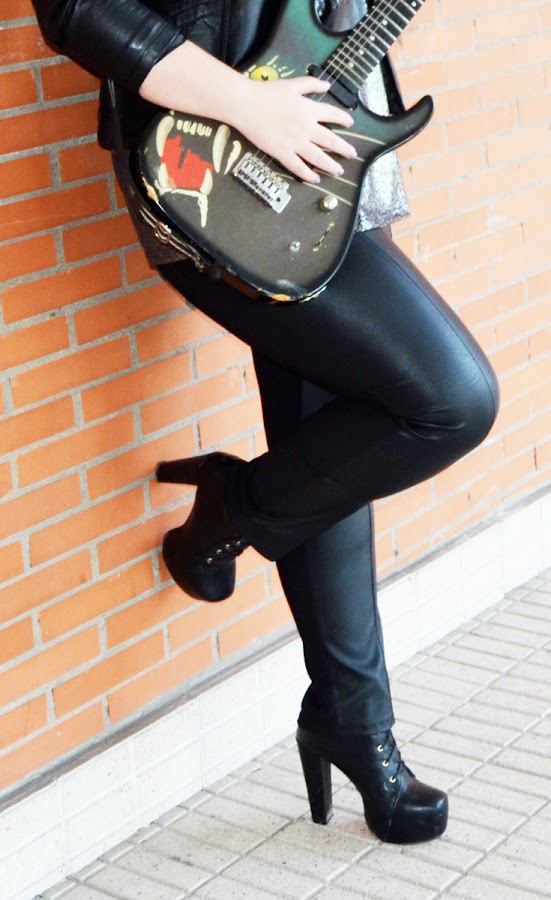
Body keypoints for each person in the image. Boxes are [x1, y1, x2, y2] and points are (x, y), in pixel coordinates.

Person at [32, 0, 499, 845]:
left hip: (336, 149)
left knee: (335, 451)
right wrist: (248, 105)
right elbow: (78, 8)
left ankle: (354, 723)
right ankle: (233, 509)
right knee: (449, 400)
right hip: (220, 159)